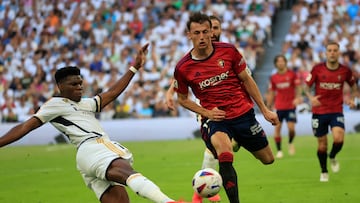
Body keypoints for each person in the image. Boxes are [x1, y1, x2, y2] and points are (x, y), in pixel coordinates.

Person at [0, 44, 189, 203]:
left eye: (80, 83)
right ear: (60, 87)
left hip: (85, 159)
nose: (79, 87)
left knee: (121, 200)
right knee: (128, 173)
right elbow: (26, 126)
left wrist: (134, 68)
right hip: (94, 146)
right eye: (74, 84)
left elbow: (112, 94)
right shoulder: (54, 104)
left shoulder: (84, 104)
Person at [173, 12, 279, 203]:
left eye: (206, 31)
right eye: (197, 33)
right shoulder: (183, 67)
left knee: (268, 159)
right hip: (216, 119)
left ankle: (236, 140)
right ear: (189, 34)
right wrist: (206, 113)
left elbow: (247, 79)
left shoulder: (229, 51)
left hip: (243, 115)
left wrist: (264, 109)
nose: (202, 37)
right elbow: (182, 99)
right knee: (224, 152)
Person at [166, 15, 225, 203]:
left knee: (226, 149)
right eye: (211, 28)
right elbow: (181, 77)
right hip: (207, 109)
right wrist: (170, 93)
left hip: (232, 109)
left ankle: (204, 190)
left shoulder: (228, 53)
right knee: (215, 148)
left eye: (215, 28)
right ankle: (201, 192)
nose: (213, 32)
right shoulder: (194, 55)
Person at [304, 41, 358, 182]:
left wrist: (352, 99)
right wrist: (311, 98)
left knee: (339, 139)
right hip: (319, 111)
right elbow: (305, 87)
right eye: (330, 50)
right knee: (322, 144)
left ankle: (332, 156)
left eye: (335, 50)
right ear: (326, 53)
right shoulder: (317, 69)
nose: (332, 52)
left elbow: (354, 87)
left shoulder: (345, 71)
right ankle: (324, 171)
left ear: (338, 53)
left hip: (336, 111)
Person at [266, 55, 303, 158]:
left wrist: (298, 97)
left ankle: (290, 142)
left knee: (291, 129)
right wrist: (269, 105)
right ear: (276, 64)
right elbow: (272, 92)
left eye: (282, 61)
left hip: (291, 106)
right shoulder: (273, 77)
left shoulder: (292, 74)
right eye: (279, 61)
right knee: (277, 129)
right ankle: (279, 150)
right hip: (279, 106)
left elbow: (298, 87)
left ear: (285, 62)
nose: (281, 63)